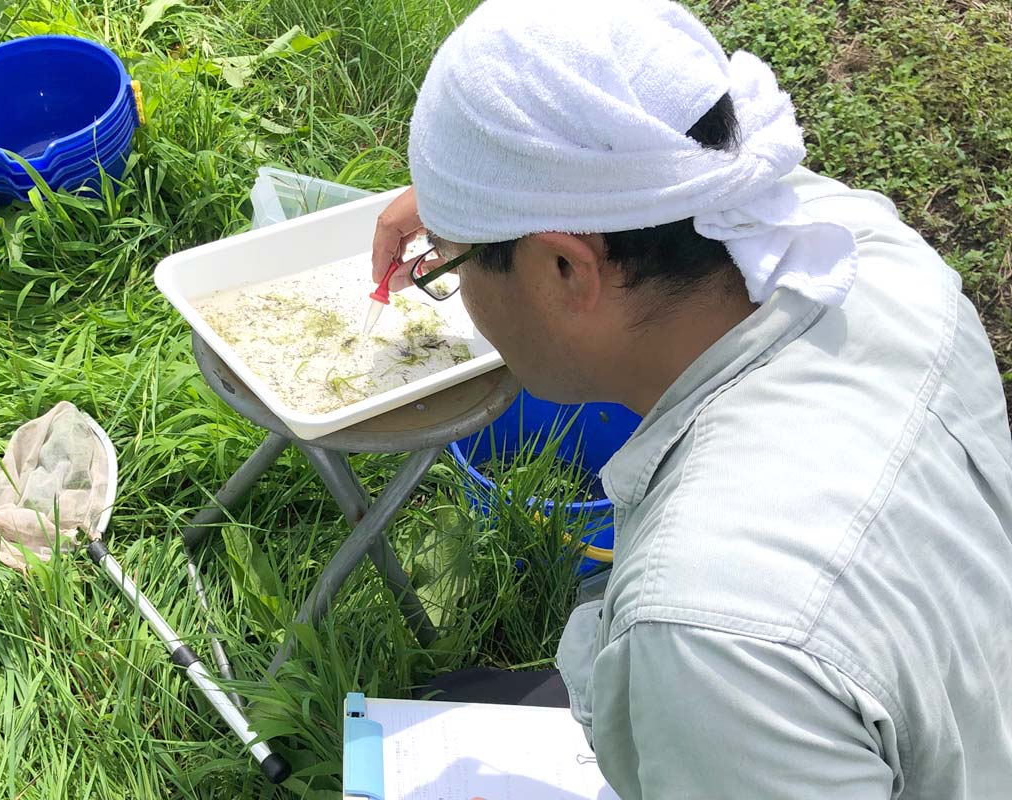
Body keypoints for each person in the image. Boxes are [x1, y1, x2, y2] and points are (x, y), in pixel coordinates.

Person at [370, 1, 1012, 797]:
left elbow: (724, 655)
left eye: (453, 265)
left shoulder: (709, 640)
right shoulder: (869, 250)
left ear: (566, 270)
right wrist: (472, 206)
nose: (453, 282)